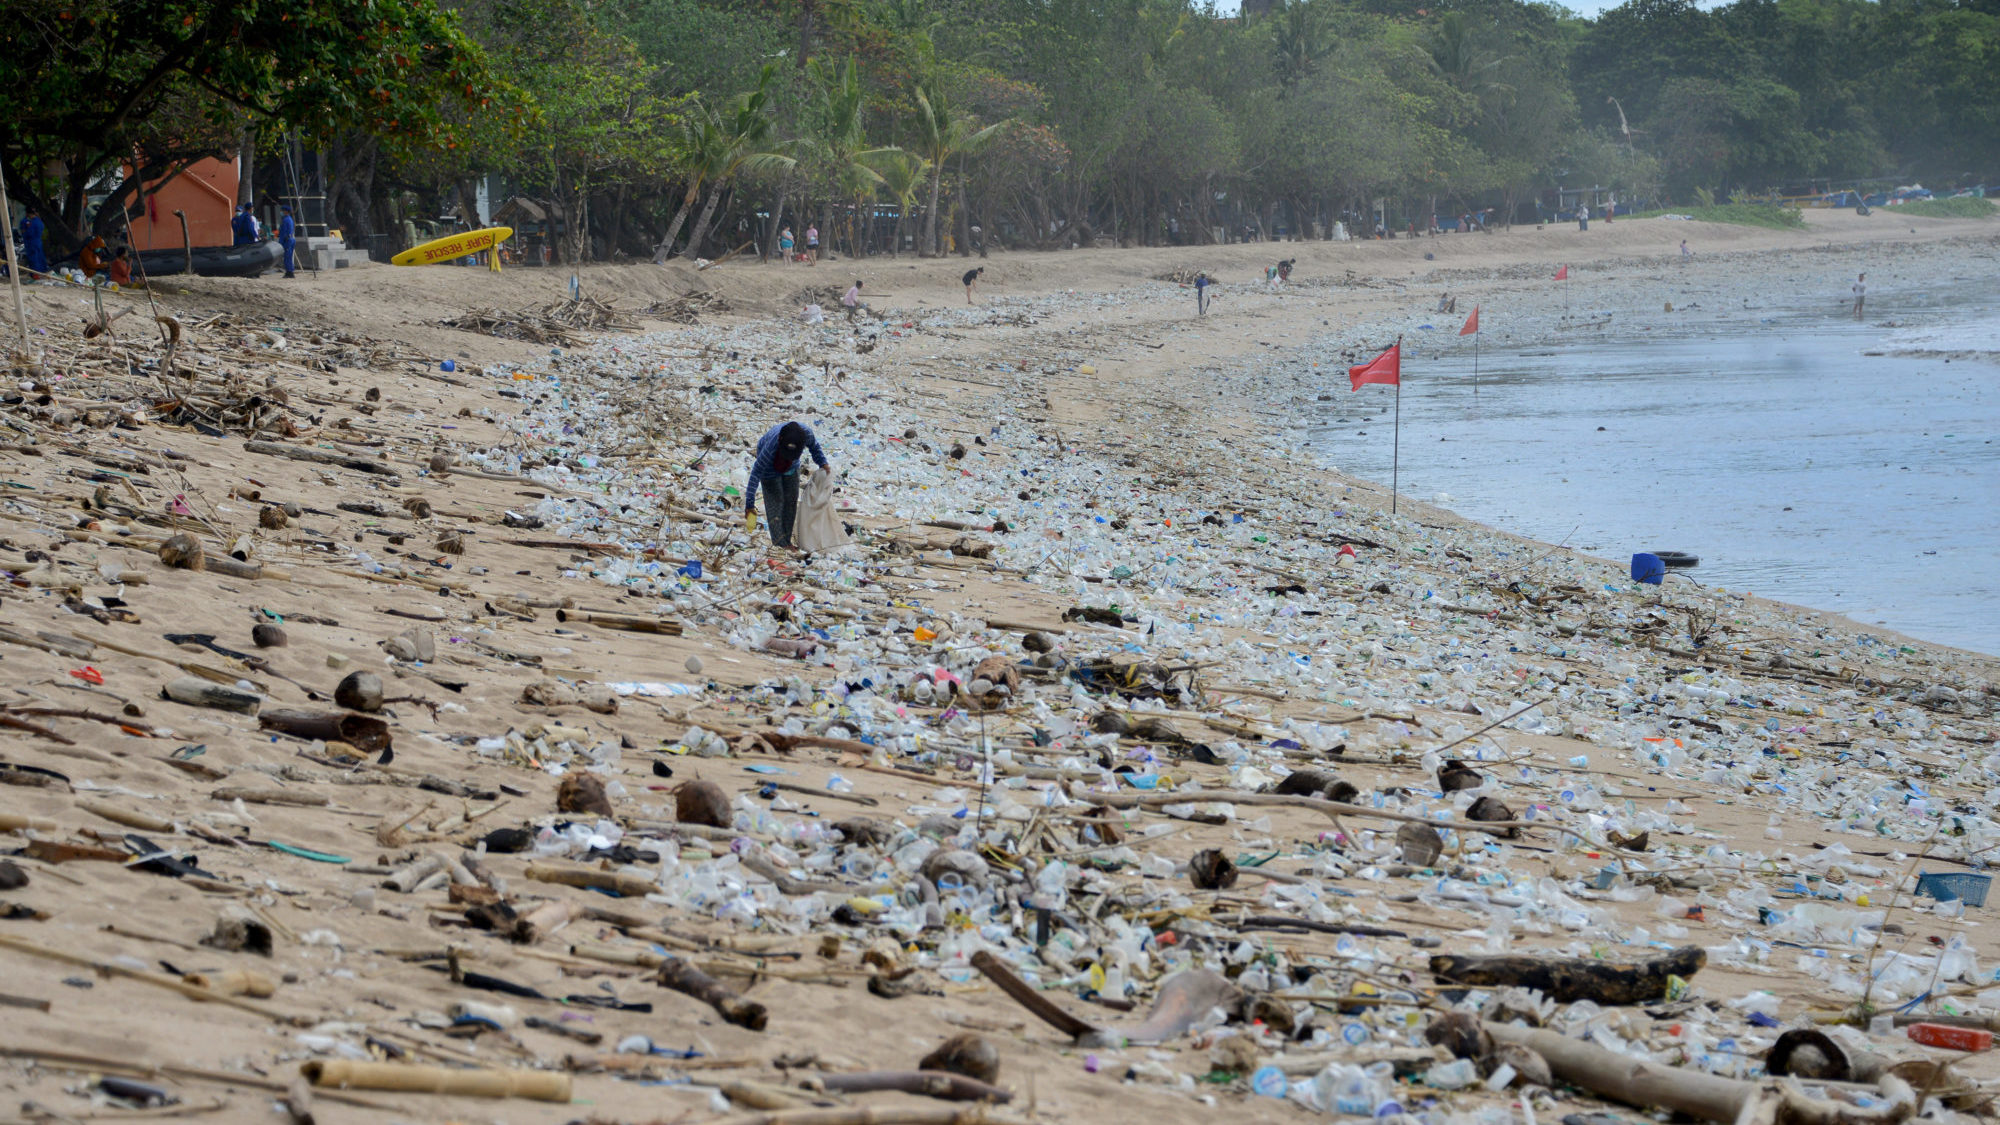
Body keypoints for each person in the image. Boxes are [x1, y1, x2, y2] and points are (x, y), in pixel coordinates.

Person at [745, 420, 830, 550]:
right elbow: (756, 473)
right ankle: (780, 543)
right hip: (770, 468)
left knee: (790, 501)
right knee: (776, 502)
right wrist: (749, 503)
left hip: (792, 468)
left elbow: (814, 447)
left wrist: (823, 463)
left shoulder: (806, 434)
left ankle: (787, 540)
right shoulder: (770, 448)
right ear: (780, 440)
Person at [19, 210, 47, 276]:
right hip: (38, 242)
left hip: (32, 243)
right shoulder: (40, 222)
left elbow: (29, 233)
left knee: (34, 259)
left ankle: (35, 274)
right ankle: (43, 272)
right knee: (40, 258)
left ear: (29, 214)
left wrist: (24, 232)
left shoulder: (32, 223)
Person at [278, 203, 298, 278]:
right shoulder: (288, 219)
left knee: (287, 257)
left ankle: (289, 272)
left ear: (286, 211)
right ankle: (289, 271)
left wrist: (283, 241)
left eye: (282, 211)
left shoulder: (286, 220)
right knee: (288, 257)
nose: (281, 212)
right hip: (289, 240)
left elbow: (285, 232)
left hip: (287, 241)